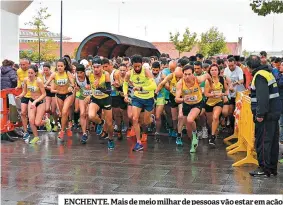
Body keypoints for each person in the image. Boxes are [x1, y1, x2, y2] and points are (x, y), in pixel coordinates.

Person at [248, 55, 281, 177]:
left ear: (249, 67)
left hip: (266, 115)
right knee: (272, 142)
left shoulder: (260, 76)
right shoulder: (267, 72)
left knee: (263, 141)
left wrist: (260, 114)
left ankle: (264, 168)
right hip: (274, 112)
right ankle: (272, 168)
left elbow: (262, 97)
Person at [123, 55, 157, 151]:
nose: (137, 68)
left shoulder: (146, 72)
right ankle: (138, 142)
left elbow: (154, 85)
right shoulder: (129, 74)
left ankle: (151, 119)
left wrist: (141, 88)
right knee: (135, 118)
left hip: (148, 98)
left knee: (145, 122)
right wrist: (125, 95)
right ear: (132, 65)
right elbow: (125, 83)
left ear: (142, 64)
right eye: (135, 66)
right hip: (137, 98)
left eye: (139, 66)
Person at [175, 65, 211, 152]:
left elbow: (207, 75)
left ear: (193, 74)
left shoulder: (197, 79)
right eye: (185, 74)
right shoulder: (180, 83)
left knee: (190, 119)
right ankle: (193, 142)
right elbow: (176, 99)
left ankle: (195, 134)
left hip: (197, 103)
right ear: (183, 74)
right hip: (186, 104)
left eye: (189, 74)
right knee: (188, 130)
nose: (187, 77)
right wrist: (183, 99)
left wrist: (211, 84)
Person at [84, 57, 115, 149]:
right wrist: (88, 89)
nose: (96, 69)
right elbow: (87, 83)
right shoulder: (89, 74)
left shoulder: (106, 75)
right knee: (91, 115)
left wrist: (99, 87)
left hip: (106, 99)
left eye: (98, 67)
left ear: (101, 67)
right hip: (96, 98)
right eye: (94, 67)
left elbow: (109, 91)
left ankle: (110, 139)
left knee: (109, 124)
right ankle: (101, 123)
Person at [16, 65, 48, 144]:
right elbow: (24, 92)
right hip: (31, 100)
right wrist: (19, 96)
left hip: (40, 102)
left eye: (31, 73)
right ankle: (36, 137)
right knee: (31, 120)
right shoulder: (26, 80)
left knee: (37, 123)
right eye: (28, 73)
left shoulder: (39, 81)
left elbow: (44, 94)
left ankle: (47, 121)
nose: (29, 75)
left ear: (35, 73)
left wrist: (35, 101)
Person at [45, 58, 75, 142]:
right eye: (58, 66)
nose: (59, 67)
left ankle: (62, 131)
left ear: (65, 66)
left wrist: (71, 87)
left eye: (61, 66)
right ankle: (67, 129)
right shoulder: (54, 74)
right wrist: (45, 86)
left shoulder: (67, 73)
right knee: (62, 114)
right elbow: (46, 84)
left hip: (68, 95)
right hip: (59, 96)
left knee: (65, 112)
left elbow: (73, 83)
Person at [204, 64, 229, 145]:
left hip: (218, 101)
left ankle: (212, 137)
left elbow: (226, 89)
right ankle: (213, 132)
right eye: (212, 70)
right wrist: (213, 94)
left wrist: (224, 94)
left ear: (218, 71)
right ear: (209, 71)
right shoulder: (208, 81)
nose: (214, 71)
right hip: (209, 103)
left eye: (215, 70)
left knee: (215, 117)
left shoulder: (222, 79)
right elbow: (206, 94)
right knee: (210, 121)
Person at [74, 64, 91, 144]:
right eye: (78, 73)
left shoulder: (89, 76)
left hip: (91, 96)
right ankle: (84, 133)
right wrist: (76, 88)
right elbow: (75, 86)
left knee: (88, 113)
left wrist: (90, 87)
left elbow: (95, 86)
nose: (79, 74)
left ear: (84, 72)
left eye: (81, 72)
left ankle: (90, 126)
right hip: (82, 96)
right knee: (82, 113)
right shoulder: (75, 77)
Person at [42, 63, 57, 132]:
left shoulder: (53, 75)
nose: (45, 72)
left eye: (46, 70)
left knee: (53, 110)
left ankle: (56, 123)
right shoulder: (42, 76)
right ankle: (51, 119)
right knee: (47, 109)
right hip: (47, 94)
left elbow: (54, 87)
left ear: (50, 69)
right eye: (44, 70)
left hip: (53, 93)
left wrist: (46, 86)